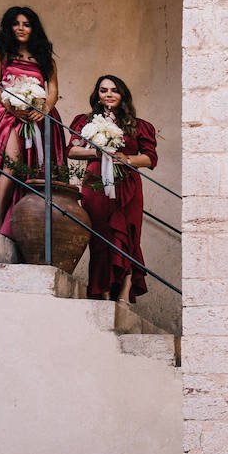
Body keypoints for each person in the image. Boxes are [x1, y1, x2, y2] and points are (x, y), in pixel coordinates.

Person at [68, 75, 158, 303]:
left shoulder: (139, 126)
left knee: (128, 235)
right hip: (96, 183)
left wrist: (125, 159)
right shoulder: (85, 121)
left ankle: (125, 293)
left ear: (123, 95)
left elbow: (149, 158)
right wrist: (99, 152)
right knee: (101, 237)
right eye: (103, 90)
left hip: (127, 184)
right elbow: (72, 151)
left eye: (114, 90)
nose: (109, 94)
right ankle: (104, 292)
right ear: (97, 95)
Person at [0, 7, 63, 235]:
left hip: (39, 116)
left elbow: (52, 90)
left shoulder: (44, 57)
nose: (21, 29)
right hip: (7, 113)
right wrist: (11, 105)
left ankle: (23, 225)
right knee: (11, 164)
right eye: (16, 23)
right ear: (9, 27)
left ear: (34, 28)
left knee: (35, 169)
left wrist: (43, 109)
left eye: (26, 24)